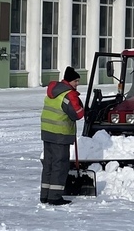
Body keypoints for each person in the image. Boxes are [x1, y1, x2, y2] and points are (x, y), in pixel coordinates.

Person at [40, 66, 85, 205]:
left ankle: (45, 195)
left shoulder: (53, 91)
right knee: (60, 165)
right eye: (76, 81)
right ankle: (55, 197)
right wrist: (82, 106)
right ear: (69, 81)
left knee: (49, 164)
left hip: (47, 133)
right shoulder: (68, 95)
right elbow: (78, 114)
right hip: (60, 134)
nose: (77, 84)